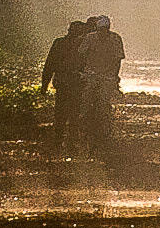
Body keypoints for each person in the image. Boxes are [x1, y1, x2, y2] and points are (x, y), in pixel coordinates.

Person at [40, 20, 89, 154]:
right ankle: (70, 143)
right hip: (73, 84)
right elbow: (50, 64)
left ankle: (60, 142)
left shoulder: (60, 43)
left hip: (64, 83)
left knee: (61, 114)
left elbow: (49, 65)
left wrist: (45, 85)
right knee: (72, 114)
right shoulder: (81, 45)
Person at [79, 15, 124, 155]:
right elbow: (81, 56)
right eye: (100, 29)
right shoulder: (90, 38)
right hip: (91, 74)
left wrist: (114, 77)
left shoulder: (115, 39)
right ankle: (82, 133)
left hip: (107, 76)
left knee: (104, 105)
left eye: (104, 29)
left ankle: (106, 133)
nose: (102, 32)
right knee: (85, 107)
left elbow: (117, 60)